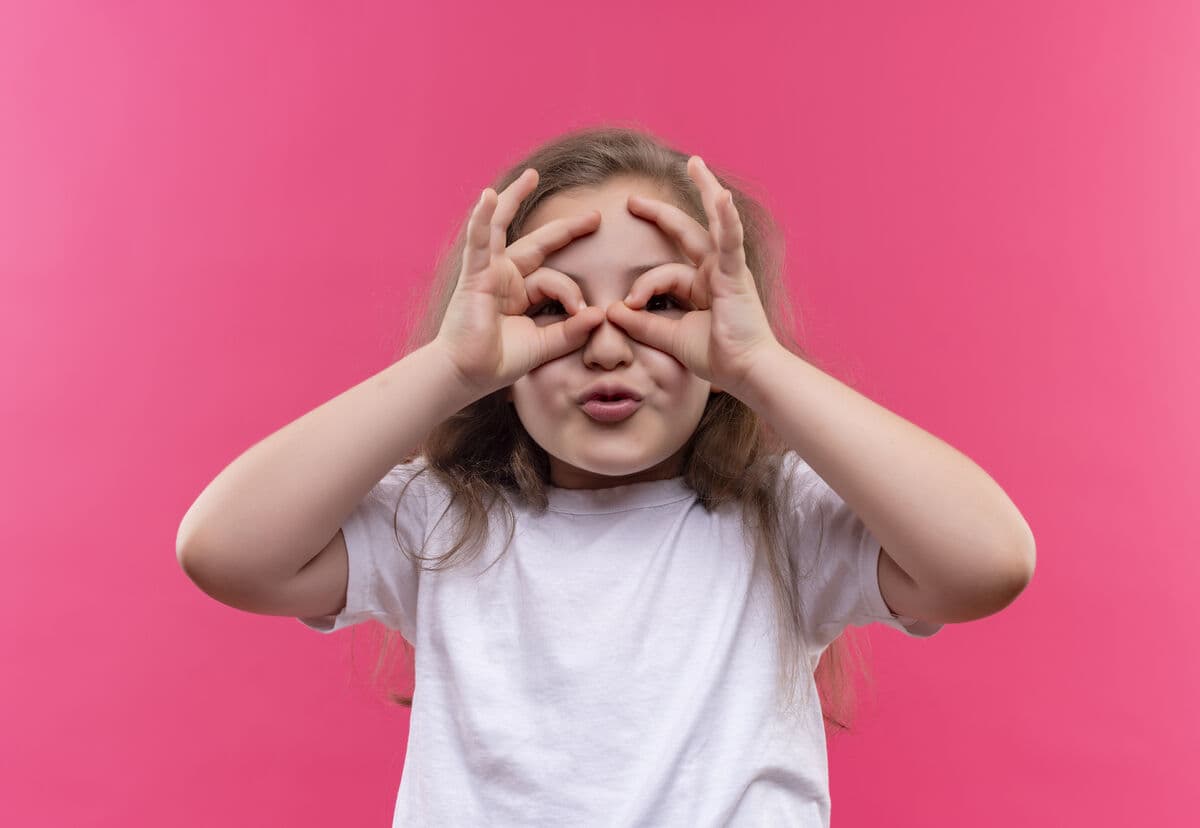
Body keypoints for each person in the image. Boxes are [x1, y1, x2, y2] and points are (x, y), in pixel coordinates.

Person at [177, 125, 1035, 826]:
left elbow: (987, 562)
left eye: (661, 303)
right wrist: (452, 365)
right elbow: (226, 551)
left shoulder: (783, 518)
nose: (609, 344)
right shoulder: (446, 520)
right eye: (552, 308)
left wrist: (757, 364)